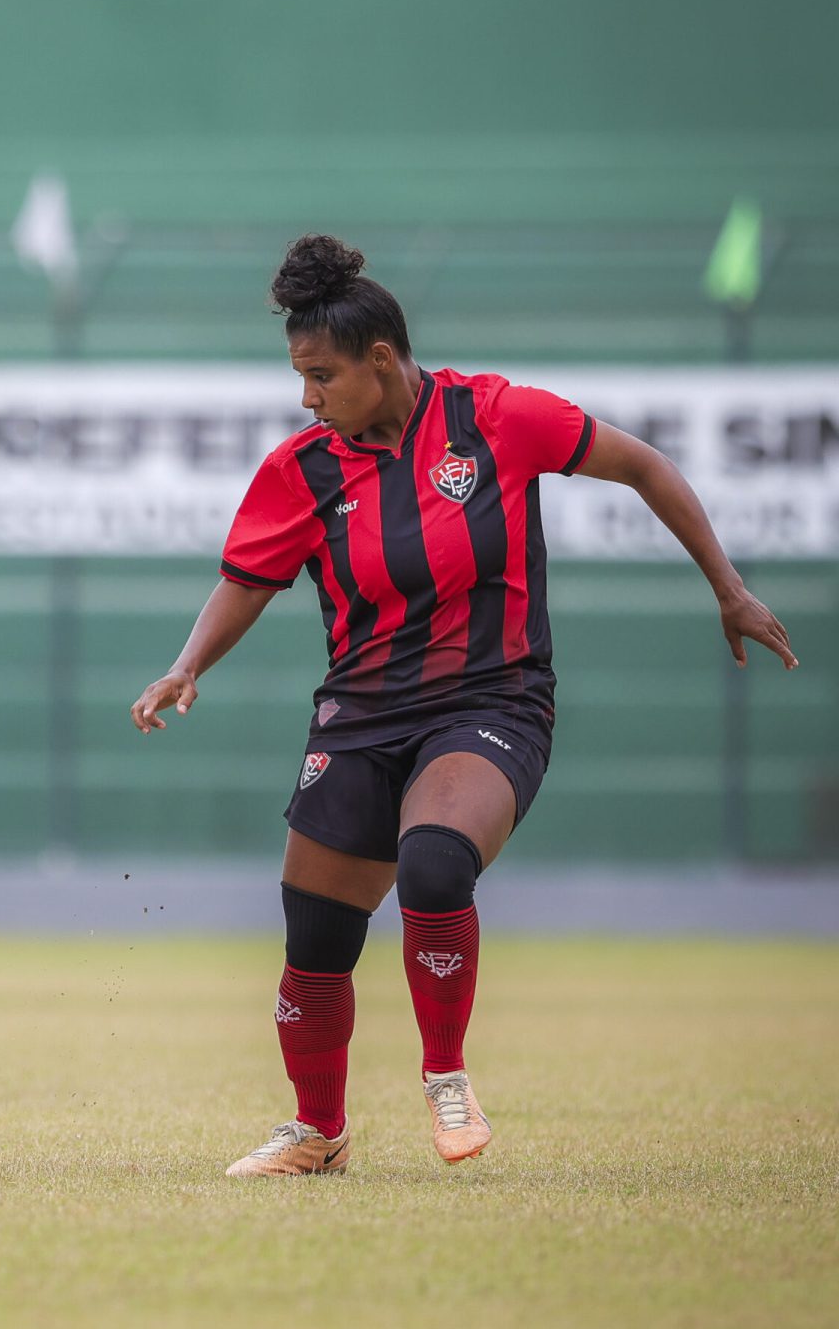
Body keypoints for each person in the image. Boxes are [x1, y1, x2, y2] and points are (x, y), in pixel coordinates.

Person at [130, 235, 797, 1178]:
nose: (307, 397)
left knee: (435, 865)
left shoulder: (496, 418)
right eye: (298, 378)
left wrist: (728, 587)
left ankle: (445, 1074)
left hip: (493, 701)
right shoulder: (304, 469)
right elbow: (248, 578)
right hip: (360, 714)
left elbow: (645, 465)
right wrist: (186, 665)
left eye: (321, 376)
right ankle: (318, 1133)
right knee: (315, 935)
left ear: (381, 361)